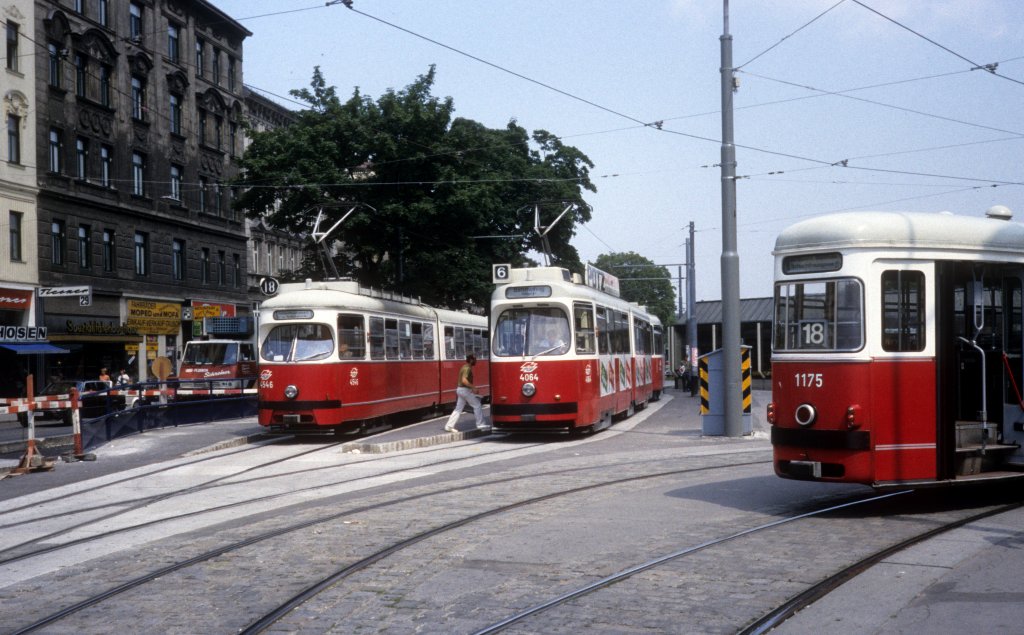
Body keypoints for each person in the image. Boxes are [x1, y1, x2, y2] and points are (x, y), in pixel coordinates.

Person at [444, 353, 489, 433]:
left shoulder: (464, 367)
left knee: (458, 409)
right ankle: (480, 424)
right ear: (471, 360)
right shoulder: (467, 368)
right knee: (477, 405)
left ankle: (449, 426)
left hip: (460, 390)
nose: (476, 361)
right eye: (475, 359)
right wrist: (473, 387)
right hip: (464, 391)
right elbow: (464, 380)